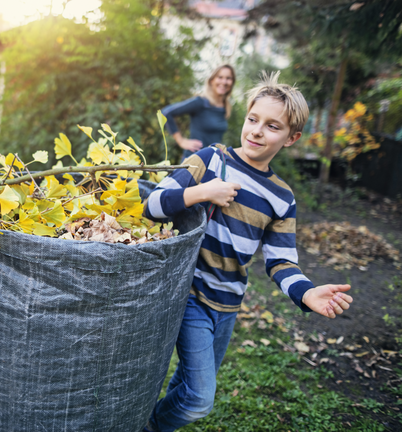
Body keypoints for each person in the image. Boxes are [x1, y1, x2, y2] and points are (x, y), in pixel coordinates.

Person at [142, 71, 353, 432]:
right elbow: (151, 204)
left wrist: (306, 292)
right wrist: (203, 192)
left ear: (292, 138)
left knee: (185, 384)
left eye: (273, 126)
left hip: (228, 306)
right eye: (253, 119)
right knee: (198, 398)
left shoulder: (282, 198)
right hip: (190, 295)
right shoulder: (212, 160)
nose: (256, 131)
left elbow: (281, 261)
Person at [161, 64, 236, 162]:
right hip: (192, 162)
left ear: (232, 82)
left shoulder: (225, 107)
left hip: (211, 163)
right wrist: (181, 141)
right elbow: (166, 112)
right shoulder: (200, 102)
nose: (224, 82)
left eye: (228, 78)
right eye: (220, 77)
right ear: (211, 80)